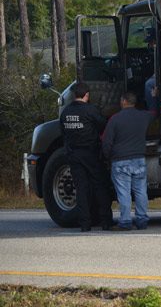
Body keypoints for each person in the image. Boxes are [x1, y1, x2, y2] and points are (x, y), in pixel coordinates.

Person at [59, 82, 113, 232]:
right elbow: (103, 125)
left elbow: (63, 132)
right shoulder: (91, 110)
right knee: (99, 186)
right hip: (91, 154)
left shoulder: (65, 112)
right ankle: (106, 222)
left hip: (73, 155)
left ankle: (84, 224)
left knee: (81, 189)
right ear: (87, 95)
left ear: (75, 95)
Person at [102, 91, 155, 230]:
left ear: (124, 101)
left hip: (120, 161)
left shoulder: (115, 119)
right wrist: (153, 96)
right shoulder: (144, 116)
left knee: (124, 192)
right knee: (141, 191)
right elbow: (155, 112)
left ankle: (125, 222)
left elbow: (107, 142)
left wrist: (107, 157)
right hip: (139, 159)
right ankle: (142, 220)